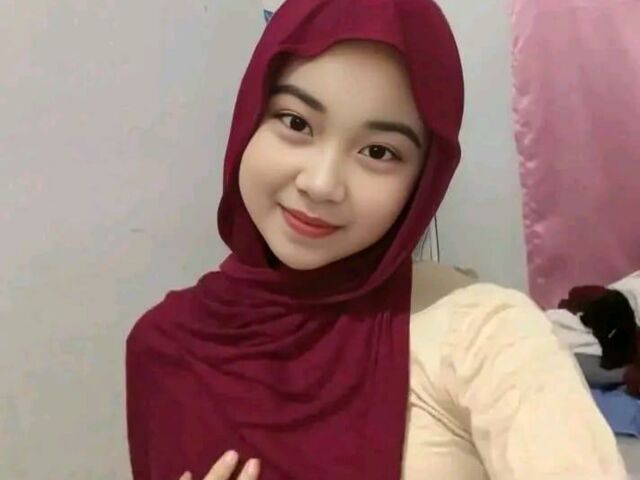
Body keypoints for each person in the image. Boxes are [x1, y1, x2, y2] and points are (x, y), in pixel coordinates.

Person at [125, 0, 627, 479]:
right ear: (250, 117)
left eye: (379, 152)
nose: (321, 184)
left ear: (423, 181)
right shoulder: (165, 347)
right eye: (296, 122)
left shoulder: (485, 334)